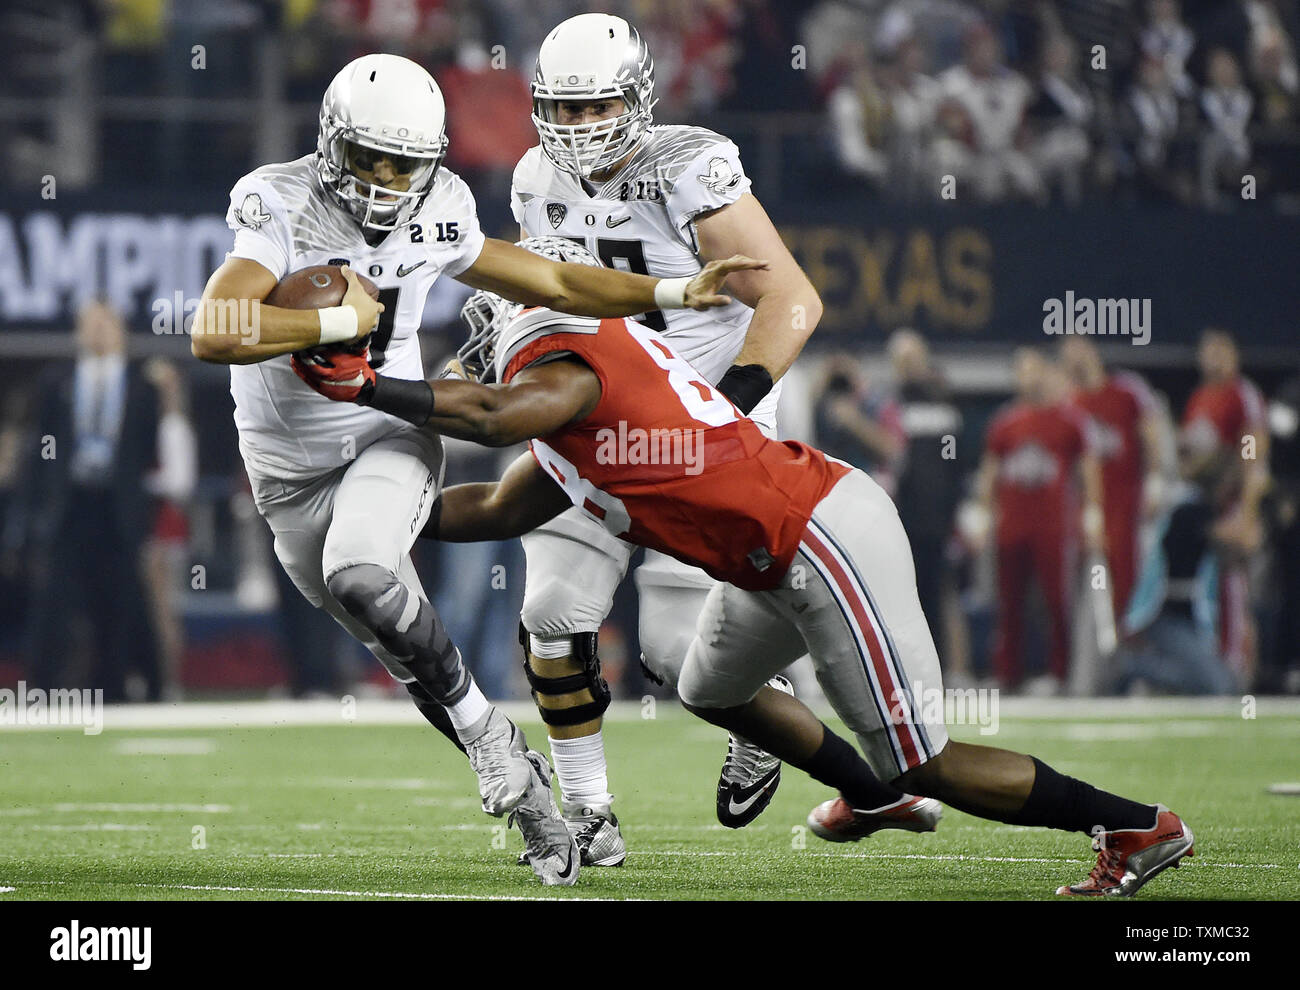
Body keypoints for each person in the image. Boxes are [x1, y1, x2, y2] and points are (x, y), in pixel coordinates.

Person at [290, 238, 1196, 898]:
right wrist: (363, 522)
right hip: (772, 557)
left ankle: (1132, 824)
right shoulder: (573, 423)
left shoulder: (562, 361)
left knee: (928, 759)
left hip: (818, 535)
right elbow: (492, 505)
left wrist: (368, 388)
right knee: (710, 685)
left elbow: (491, 412)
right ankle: (868, 797)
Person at [191, 52, 756, 886]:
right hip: (284, 475)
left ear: (433, 163)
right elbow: (213, 328)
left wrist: (673, 295)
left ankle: (498, 755)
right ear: (330, 148)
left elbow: (557, 278)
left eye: (404, 164)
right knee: (403, 642)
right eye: (370, 160)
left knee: (363, 576)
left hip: (383, 435)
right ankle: (513, 770)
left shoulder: (443, 208)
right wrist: (335, 320)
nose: (386, 180)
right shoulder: (280, 199)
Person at [502, 13, 824, 862]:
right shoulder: (534, 177)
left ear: (637, 97)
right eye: (562, 110)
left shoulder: (689, 167)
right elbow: (561, 294)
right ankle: (587, 814)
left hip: (699, 432)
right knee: (550, 613)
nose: (576, 129)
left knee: (678, 658)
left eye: (595, 106)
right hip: (595, 424)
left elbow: (792, 299)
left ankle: (762, 706)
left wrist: (729, 405)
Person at [21, 300, 162, 702]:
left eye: (106, 324)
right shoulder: (56, 381)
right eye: (90, 324)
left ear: (120, 330)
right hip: (69, 505)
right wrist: (33, 510)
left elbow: (148, 451)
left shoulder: (141, 385)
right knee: (54, 602)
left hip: (117, 509)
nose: (98, 332)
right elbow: (40, 449)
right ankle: (43, 690)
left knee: (117, 604)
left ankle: (112, 689)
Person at [971, 349, 1104, 692]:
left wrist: (1092, 515)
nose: (1028, 378)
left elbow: (1089, 470)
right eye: (1022, 372)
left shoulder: (1071, 419)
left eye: (1033, 370)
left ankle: (1060, 673)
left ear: (1047, 373)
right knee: (1009, 601)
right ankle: (1008, 673)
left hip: (1054, 526)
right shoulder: (1005, 422)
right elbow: (991, 471)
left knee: (1057, 601)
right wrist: (984, 514)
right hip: (1013, 525)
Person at [1060, 337, 1167, 622]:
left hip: (1128, 499)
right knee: (1093, 580)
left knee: (1130, 573)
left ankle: (1133, 640)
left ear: (1092, 351)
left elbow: (1150, 436)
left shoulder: (1127, 390)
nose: (1075, 359)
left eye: (1078, 350)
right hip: (1089, 506)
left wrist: (1155, 481)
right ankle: (1100, 649)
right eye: (1068, 353)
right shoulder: (1069, 401)